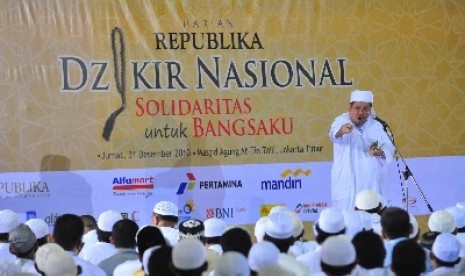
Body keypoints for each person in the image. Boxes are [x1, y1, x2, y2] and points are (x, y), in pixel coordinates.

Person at [329, 90, 395, 211]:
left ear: (370, 109)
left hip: (372, 185)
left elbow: (390, 147)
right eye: (357, 108)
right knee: (349, 222)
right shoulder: (341, 121)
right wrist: (342, 130)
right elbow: (334, 134)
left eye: (365, 109)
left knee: (373, 221)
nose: (361, 112)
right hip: (349, 186)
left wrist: (380, 152)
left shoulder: (377, 126)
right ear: (350, 107)